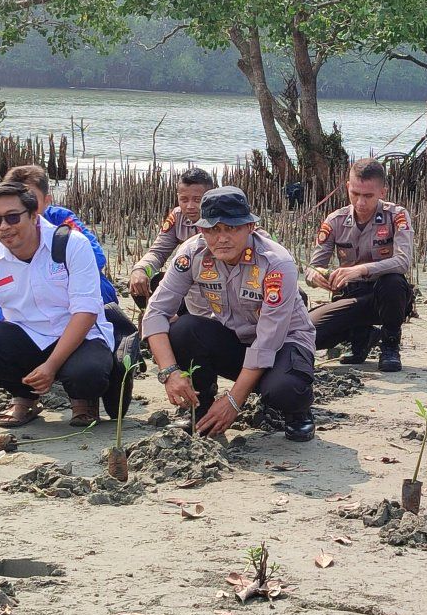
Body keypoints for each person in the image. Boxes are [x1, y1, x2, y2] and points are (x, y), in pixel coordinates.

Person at [142, 186, 317, 442]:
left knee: (283, 391)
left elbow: (268, 340)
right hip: (237, 340)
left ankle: (298, 412)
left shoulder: (276, 262)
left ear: (250, 227)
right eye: (213, 229)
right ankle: (200, 406)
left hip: (285, 343)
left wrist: (234, 402)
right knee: (184, 329)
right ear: (201, 230)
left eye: (231, 228)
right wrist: (169, 372)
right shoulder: (192, 253)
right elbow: (156, 312)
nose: (221, 238)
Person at [0, 183, 115, 428]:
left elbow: (85, 311)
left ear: (33, 215)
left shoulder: (72, 244)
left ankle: (84, 401)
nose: (4, 227)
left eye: (12, 217)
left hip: (80, 336)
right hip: (27, 336)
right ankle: (25, 398)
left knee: (87, 374)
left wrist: (51, 366)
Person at [305, 158, 413, 372]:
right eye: (355, 194)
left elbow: (403, 261)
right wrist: (315, 277)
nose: (360, 202)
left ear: (383, 192)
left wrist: (361, 269)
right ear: (347, 187)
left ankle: (390, 344)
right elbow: (313, 267)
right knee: (309, 334)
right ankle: (361, 336)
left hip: (384, 298)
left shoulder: (397, 216)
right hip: (349, 298)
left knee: (393, 283)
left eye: (368, 196)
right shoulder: (335, 220)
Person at [0, 164, 118, 314]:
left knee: (99, 286)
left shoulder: (63, 220)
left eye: (31, 199)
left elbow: (97, 258)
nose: (25, 205)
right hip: (20, 306)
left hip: (70, 293)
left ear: (47, 201)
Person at [129, 167, 216, 308]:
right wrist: (141, 269)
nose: (190, 206)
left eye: (197, 200)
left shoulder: (223, 222)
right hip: (184, 284)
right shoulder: (177, 217)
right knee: (140, 282)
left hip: (212, 288)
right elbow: (158, 252)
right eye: (184, 199)